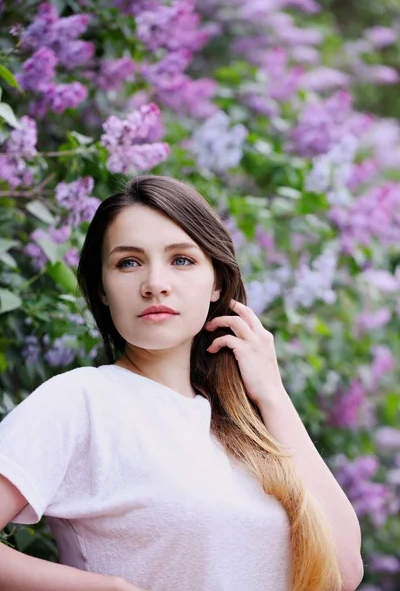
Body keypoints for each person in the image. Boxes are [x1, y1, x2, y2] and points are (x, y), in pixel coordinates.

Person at [0, 175, 363, 591]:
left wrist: (273, 396)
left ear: (217, 284)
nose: (155, 283)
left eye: (181, 260)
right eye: (128, 262)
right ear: (102, 289)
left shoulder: (245, 426)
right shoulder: (80, 401)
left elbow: (343, 571)